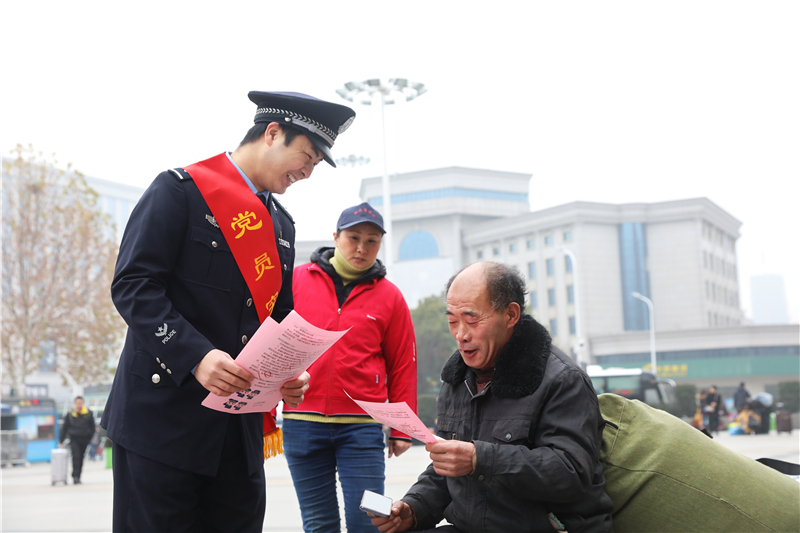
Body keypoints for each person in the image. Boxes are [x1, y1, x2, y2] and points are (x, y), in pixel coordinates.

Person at [101, 91, 356, 533]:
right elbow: (133, 286)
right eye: (307, 157)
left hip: (236, 433)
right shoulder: (179, 191)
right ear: (272, 133)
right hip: (163, 420)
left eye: (315, 164)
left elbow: (277, 318)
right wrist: (196, 356)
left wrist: (288, 374)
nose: (307, 173)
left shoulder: (281, 226)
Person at [373, 262, 613, 533]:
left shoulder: (562, 380)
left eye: (472, 319)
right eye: (452, 320)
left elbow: (571, 473)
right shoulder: (457, 380)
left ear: (510, 315)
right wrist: (413, 508)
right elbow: (448, 468)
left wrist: (480, 459)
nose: (461, 335)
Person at [283, 202, 417, 532]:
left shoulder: (391, 297)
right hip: (301, 425)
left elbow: (402, 364)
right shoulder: (296, 280)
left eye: (372, 241)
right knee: (318, 523)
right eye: (353, 237)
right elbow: (271, 341)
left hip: (363, 430)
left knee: (371, 521)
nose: (361, 248)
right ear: (336, 237)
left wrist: (402, 429)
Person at [60, 396, 96, 484]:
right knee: (76, 457)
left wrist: (89, 437)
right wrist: (61, 440)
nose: (79, 405)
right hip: (74, 439)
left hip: (84, 439)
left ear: (83, 403)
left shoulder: (88, 413)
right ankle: (75, 476)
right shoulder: (70, 414)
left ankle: (78, 476)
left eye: (80, 403)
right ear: (75, 404)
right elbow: (64, 428)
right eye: (77, 403)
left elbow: (92, 427)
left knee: (81, 457)